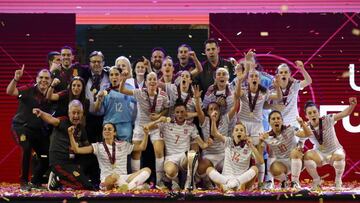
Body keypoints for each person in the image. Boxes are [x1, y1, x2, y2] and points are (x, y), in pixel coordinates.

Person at [144, 100, 212, 190]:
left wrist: (208, 143)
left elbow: (202, 145)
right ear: (174, 113)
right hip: (171, 158)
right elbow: (146, 127)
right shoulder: (166, 124)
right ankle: (175, 182)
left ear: (186, 112)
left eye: (182, 112)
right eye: (177, 112)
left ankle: (189, 182)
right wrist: (159, 119)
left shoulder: (191, 126)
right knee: (170, 171)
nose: (180, 114)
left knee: (193, 153)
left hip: (184, 157)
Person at [119, 71, 169, 187]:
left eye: (154, 79)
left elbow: (167, 109)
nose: (152, 81)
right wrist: (124, 79)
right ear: (145, 82)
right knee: (136, 152)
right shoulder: (140, 92)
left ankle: (159, 182)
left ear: (157, 82)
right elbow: (122, 91)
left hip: (156, 126)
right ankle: (135, 182)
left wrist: (159, 115)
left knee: (158, 150)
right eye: (149, 79)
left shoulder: (163, 94)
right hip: (141, 126)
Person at [7, 66, 52, 191]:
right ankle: (23, 182)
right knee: (26, 148)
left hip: (38, 131)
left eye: (47, 78)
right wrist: (15, 79)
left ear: (51, 80)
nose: (44, 80)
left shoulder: (51, 95)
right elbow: (10, 92)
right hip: (21, 127)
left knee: (48, 155)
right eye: (41, 77)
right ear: (37, 79)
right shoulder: (28, 89)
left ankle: (35, 181)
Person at [33, 100, 95, 191]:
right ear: (69, 113)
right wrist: (41, 113)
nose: (76, 116)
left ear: (82, 113)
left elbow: (86, 146)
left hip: (72, 164)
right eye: (73, 113)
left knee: (88, 185)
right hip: (59, 162)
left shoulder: (81, 129)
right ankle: (57, 179)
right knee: (84, 186)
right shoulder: (62, 121)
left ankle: (59, 180)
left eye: (79, 113)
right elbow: (51, 119)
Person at [68, 122, 151, 191]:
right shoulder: (97, 146)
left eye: (109, 129)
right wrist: (71, 135)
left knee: (147, 170)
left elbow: (142, 147)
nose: (106, 131)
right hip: (107, 180)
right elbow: (77, 150)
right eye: (104, 129)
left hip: (124, 178)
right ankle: (133, 187)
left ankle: (127, 188)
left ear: (114, 133)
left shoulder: (124, 144)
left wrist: (146, 134)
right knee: (114, 176)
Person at [236, 70, 281, 186]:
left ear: (259, 79)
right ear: (248, 79)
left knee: (261, 149)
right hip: (243, 124)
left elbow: (278, 96)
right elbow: (236, 95)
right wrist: (240, 80)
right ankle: (241, 181)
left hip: (257, 124)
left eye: (256, 76)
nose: (254, 78)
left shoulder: (264, 92)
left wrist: (277, 87)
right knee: (241, 152)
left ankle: (260, 183)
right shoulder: (244, 90)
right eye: (252, 76)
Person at [194, 76, 241, 189]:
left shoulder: (225, 119)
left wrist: (236, 96)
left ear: (220, 111)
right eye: (211, 109)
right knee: (201, 169)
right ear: (208, 112)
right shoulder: (204, 121)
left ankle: (223, 183)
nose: (214, 111)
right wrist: (196, 99)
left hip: (223, 155)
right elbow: (199, 111)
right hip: (209, 155)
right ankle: (208, 181)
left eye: (216, 109)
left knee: (235, 162)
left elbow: (234, 108)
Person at [303, 98, 357, 190]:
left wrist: (352, 105)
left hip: (334, 151)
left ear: (318, 113)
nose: (313, 114)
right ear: (306, 116)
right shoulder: (306, 127)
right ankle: (316, 180)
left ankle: (338, 181)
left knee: (340, 155)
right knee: (307, 155)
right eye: (310, 113)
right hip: (320, 154)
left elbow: (344, 114)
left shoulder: (327, 119)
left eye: (314, 112)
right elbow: (299, 138)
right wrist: (298, 146)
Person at [259, 111, 311, 189]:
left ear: (282, 121)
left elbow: (307, 134)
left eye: (278, 118)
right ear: (269, 122)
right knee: (273, 168)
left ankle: (295, 182)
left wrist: (302, 123)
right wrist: (260, 142)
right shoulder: (266, 136)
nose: (276, 120)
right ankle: (284, 181)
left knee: (295, 151)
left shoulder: (291, 128)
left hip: (296, 159)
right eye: (273, 119)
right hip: (282, 164)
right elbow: (259, 155)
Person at [207, 121, 263, 192]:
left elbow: (261, 162)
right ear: (233, 134)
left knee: (255, 168)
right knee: (209, 169)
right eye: (236, 130)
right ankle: (229, 184)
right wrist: (213, 119)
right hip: (225, 179)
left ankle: (234, 184)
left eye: (241, 130)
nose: (239, 132)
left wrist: (251, 145)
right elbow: (214, 133)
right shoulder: (228, 141)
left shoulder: (249, 146)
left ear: (245, 134)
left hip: (241, 179)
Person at [94, 66, 135, 142]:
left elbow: (138, 101)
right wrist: (98, 100)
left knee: (124, 152)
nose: (114, 77)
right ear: (109, 77)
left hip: (125, 125)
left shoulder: (129, 87)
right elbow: (96, 109)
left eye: (116, 74)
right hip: (109, 124)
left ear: (121, 76)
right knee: (108, 151)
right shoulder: (104, 88)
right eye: (111, 75)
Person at [85, 51, 110, 143]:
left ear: (103, 63)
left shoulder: (109, 75)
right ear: (89, 63)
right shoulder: (84, 75)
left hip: (106, 118)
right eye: (93, 61)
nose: (96, 64)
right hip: (88, 119)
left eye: (99, 61)